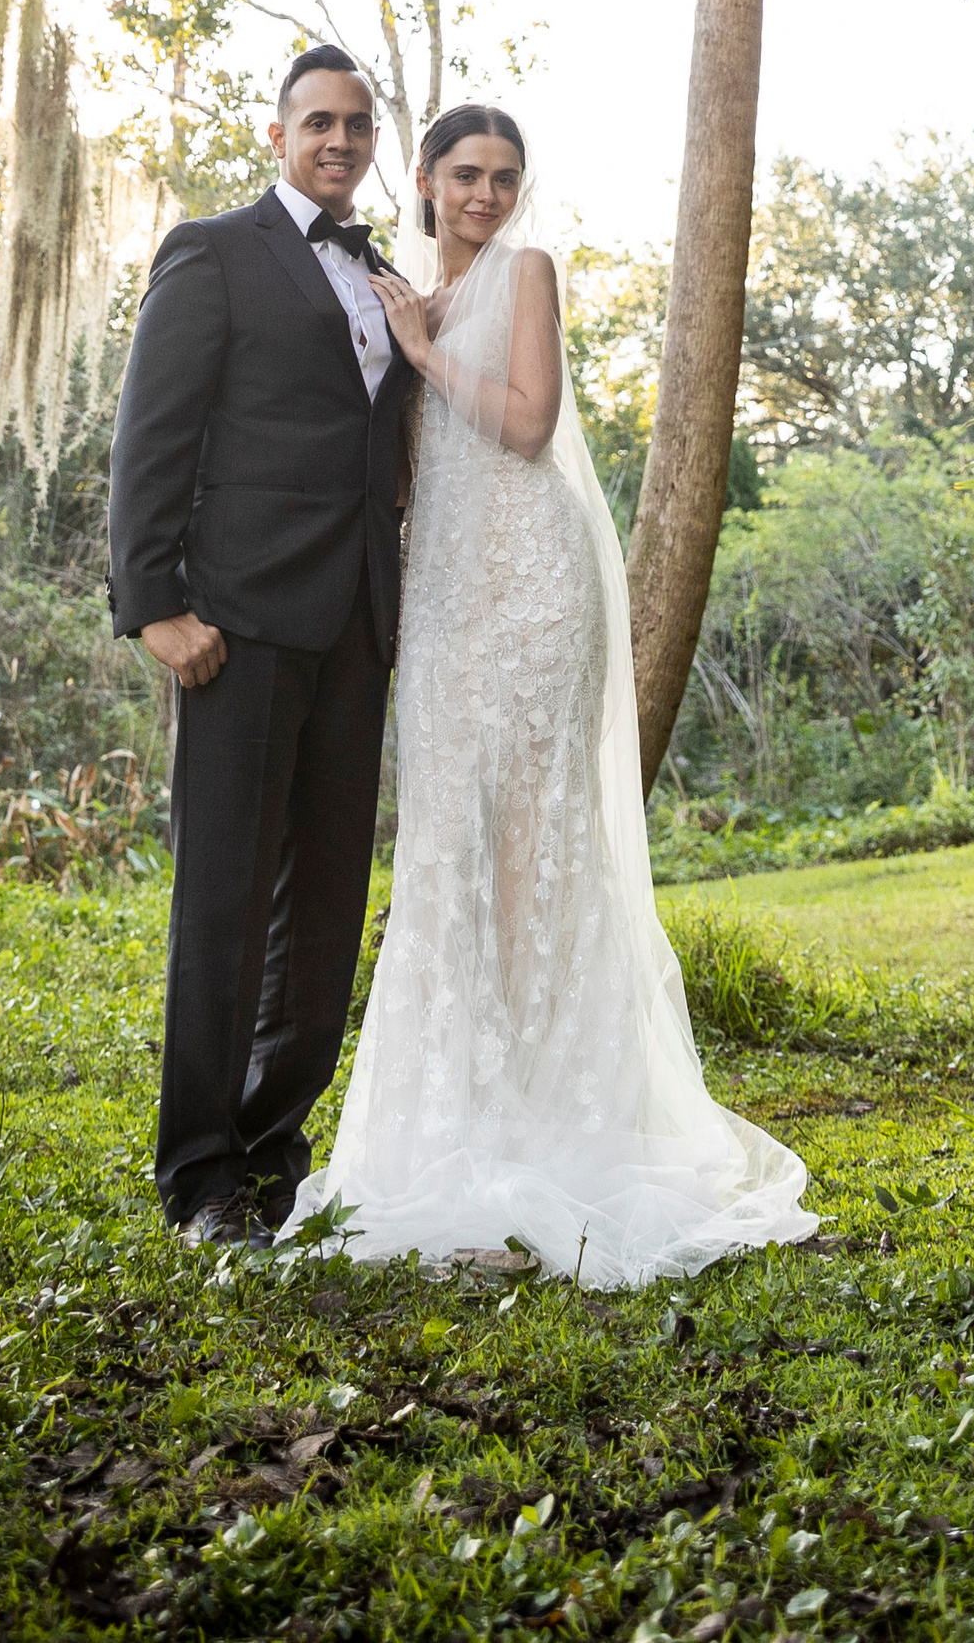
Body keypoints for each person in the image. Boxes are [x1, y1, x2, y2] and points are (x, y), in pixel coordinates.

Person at [285, 104, 816, 1285]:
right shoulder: (399, 289)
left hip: (534, 584)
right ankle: (458, 1108)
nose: (484, 195)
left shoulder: (525, 272)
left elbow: (524, 428)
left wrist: (424, 352)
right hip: (443, 600)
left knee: (532, 846)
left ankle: (544, 1106)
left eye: (503, 177)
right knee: (447, 842)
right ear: (421, 178)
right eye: (465, 174)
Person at [106, 45, 420, 1245]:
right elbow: (153, 435)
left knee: (329, 902)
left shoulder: (383, 273)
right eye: (319, 122)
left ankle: (273, 1151)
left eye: (357, 125)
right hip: (233, 623)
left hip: (356, 622)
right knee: (225, 901)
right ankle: (198, 1176)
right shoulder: (211, 250)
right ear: (281, 132)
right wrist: (153, 606)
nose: (339, 140)